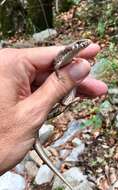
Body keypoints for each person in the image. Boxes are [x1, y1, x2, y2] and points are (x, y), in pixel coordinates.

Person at [0, 43, 107, 175]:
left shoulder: (72, 58)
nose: (83, 44)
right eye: (79, 43)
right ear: (72, 47)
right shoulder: (63, 58)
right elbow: (57, 67)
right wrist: (61, 80)